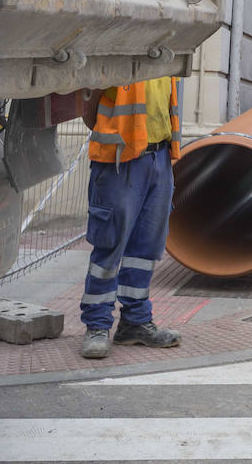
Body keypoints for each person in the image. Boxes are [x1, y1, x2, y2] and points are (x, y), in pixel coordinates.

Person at [78, 76, 183, 359]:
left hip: (158, 157)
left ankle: (135, 321)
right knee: (110, 244)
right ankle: (97, 326)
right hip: (119, 159)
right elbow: (88, 105)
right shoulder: (127, 47)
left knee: (145, 247)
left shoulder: (167, 56)